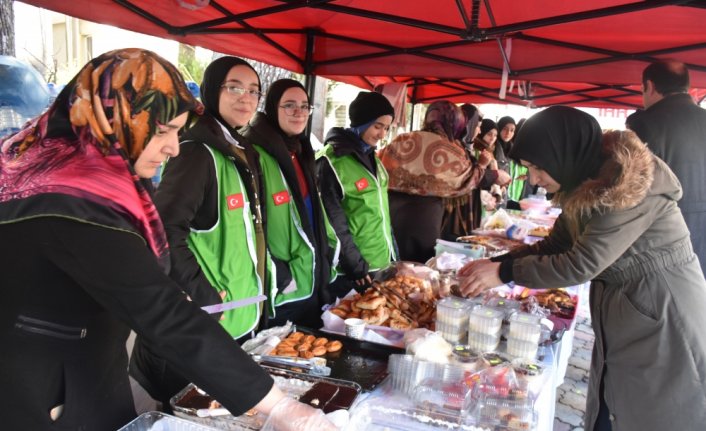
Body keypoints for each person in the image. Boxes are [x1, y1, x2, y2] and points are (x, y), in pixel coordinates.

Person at [0, 49, 335, 430]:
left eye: (177, 130)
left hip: (92, 368)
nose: (174, 147)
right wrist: (278, 407)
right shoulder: (70, 197)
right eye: (162, 131)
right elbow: (162, 314)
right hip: (47, 392)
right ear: (116, 119)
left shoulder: (79, 171)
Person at [458, 106, 706, 431]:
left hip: (664, 317)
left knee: (654, 412)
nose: (533, 179)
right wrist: (496, 263)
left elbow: (581, 263)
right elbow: (556, 244)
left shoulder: (626, 190)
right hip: (627, 315)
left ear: (563, 154)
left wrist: (504, 274)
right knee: (614, 405)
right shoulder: (584, 186)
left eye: (537, 168)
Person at [129, 56, 276, 409]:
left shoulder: (236, 150)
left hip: (234, 321)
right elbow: (163, 230)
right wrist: (205, 294)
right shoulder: (197, 151)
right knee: (186, 415)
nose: (246, 97)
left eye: (254, 91)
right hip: (206, 324)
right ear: (213, 91)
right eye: (235, 87)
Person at [240, 78, 338, 324]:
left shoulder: (302, 151)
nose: (299, 112)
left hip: (311, 280)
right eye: (289, 105)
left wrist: (330, 255)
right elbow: (246, 226)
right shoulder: (255, 154)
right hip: (280, 289)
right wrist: (281, 276)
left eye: (305, 106)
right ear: (273, 108)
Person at [380, 100, 490, 262]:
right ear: (456, 123)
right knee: (419, 271)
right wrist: (481, 166)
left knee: (393, 263)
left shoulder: (402, 139)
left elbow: (380, 168)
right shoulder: (452, 150)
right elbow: (467, 181)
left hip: (390, 212)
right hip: (426, 218)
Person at [628, 60, 706, 275]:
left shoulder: (645, 124)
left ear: (649, 86)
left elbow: (632, 189)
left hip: (661, 238)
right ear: (687, 87)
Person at [317, 91, 397, 299]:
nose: (382, 134)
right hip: (353, 272)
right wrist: (355, 265)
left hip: (381, 263)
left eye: (386, 128)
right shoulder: (331, 162)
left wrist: (393, 253)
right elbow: (333, 222)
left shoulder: (373, 158)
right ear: (361, 122)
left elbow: (382, 212)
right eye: (377, 126)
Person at [496, 115, 530, 209]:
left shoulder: (511, 148)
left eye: (512, 130)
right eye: (505, 129)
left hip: (508, 194)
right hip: (495, 193)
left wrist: (528, 175)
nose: (508, 133)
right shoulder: (493, 147)